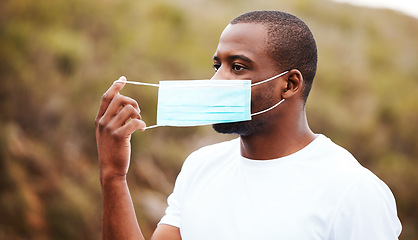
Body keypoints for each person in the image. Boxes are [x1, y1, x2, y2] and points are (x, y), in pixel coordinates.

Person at [95, 10, 402, 240]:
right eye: (218, 66)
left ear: (290, 84)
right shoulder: (201, 166)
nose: (216, 81)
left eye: (237, 67)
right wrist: (113, 176)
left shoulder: (353, 192)